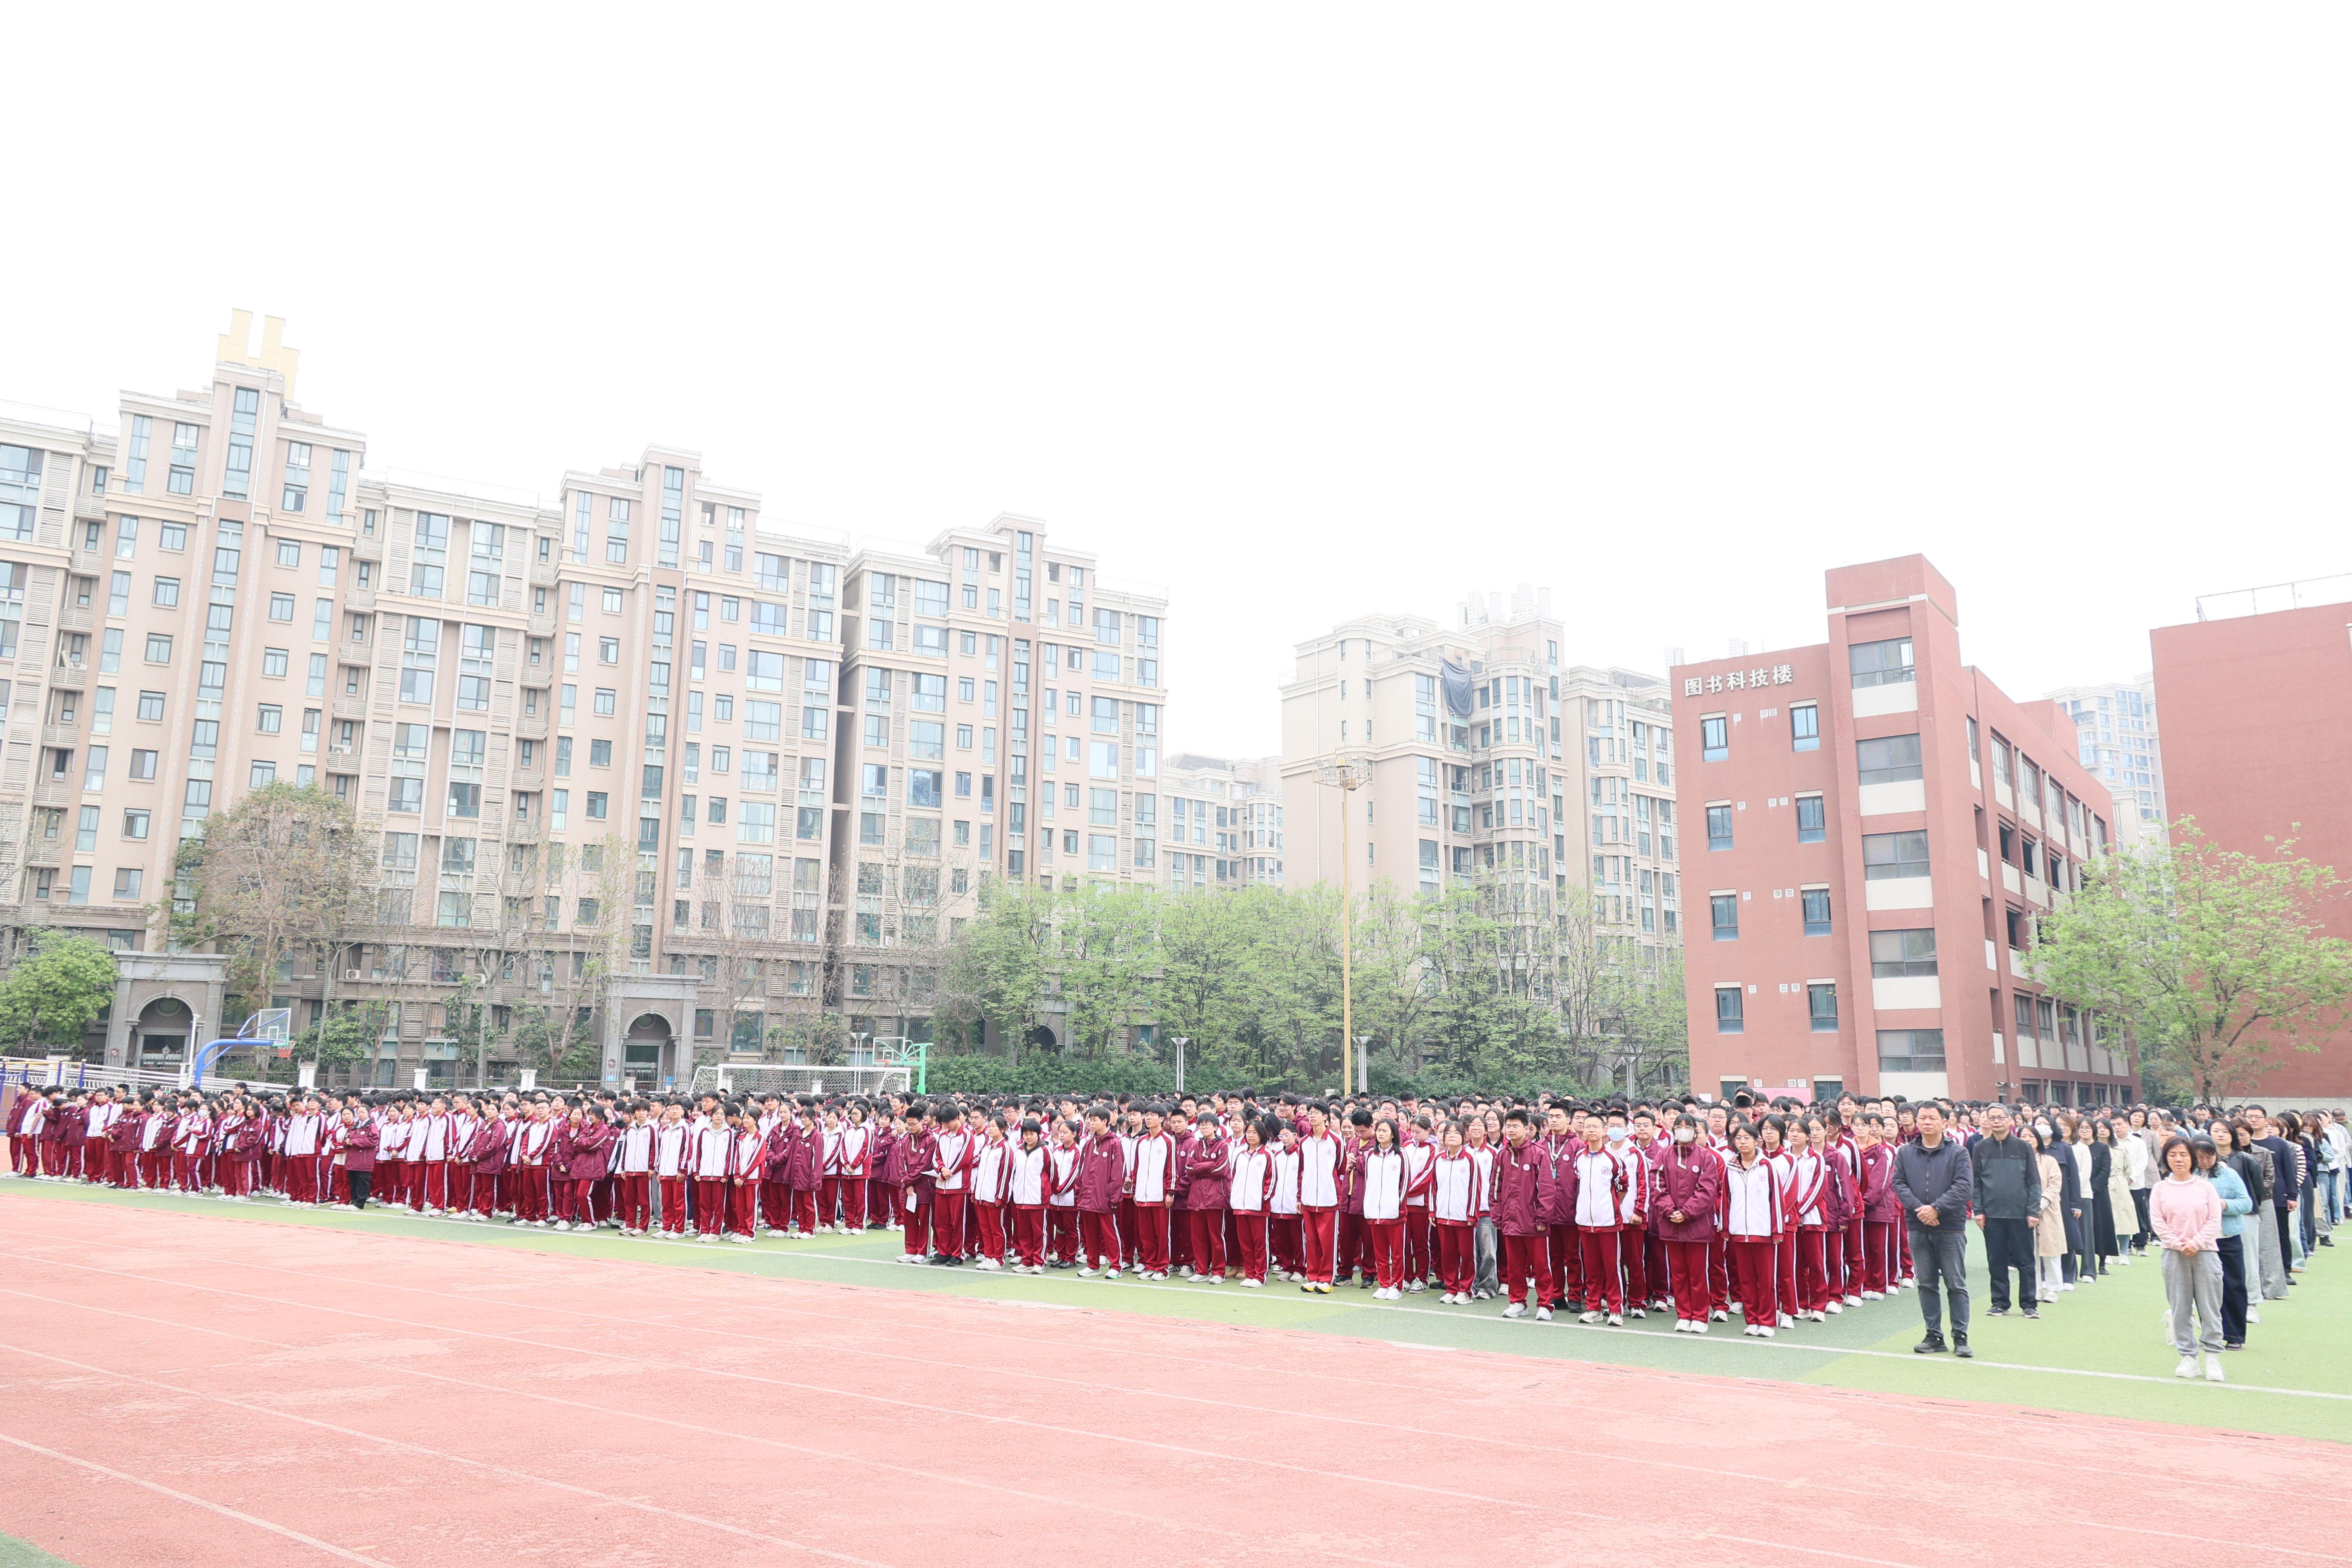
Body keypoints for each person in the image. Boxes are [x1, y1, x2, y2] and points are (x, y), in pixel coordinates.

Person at [1891, 1101, 1972, 1357]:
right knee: (1926, 1284)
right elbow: (1898, 1183)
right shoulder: (1905, 1153)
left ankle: (1960, 1337)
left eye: (1933, 1118)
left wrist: (1936, 1208)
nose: (1927, 1122)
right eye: (1923, 1118)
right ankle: (1934, 1335)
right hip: (1918, 1225)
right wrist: (1920, 1210)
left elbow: (1964, 1187)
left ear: (1944, 1122)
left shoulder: (1958, 1153)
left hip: (1950, 1227)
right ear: (1917, 1122)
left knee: (1956, 1283)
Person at [2150, 1134, 2227, 1382]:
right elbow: (2158, 1222)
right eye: (2173, 1155)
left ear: (2192, 1158)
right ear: (2166, 1159)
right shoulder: (2160, 1189)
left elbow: (2214, 1220)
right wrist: (2178, 1243)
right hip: (2174, 1255)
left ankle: (2213, 1357)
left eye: (2184, 1155)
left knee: (2210, 1307)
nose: (2179, 1159)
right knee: (2180, 1307)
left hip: (2205, 1253)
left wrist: (2196, 1243)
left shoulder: (2206, 1188)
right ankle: (2188, 1357)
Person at [1970, 1103, 2041, 1319]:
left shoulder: (2023, 1147)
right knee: (1996, 1260)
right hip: (1992, 1214)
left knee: (2026, 1261)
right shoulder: (1980, 1148)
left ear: (2010, 1120)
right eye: (1992, 1118)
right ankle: (2000, 1303)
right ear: (1987, 1121)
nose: (1997, 1121)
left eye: (2001, 1117)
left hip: (2020, 1214)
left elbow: (2034, 1182)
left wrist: (2033, 1211)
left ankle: (2029, 1304)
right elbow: (1976, 1183)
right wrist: (1979, 1211)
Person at [2198, 1129, 2254, 1352]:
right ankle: (2210, 1332)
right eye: (2200, 1157)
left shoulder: (2229, 1174)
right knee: (2204, 1289)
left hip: (2227, 1237)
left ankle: (2234, 1334)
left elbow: (2247, 1203)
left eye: (2209, 1156)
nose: (2205, 1161)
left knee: (2233, 1285)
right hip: (2200, 1241)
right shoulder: (2187, 1176)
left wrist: (2224, 1205)